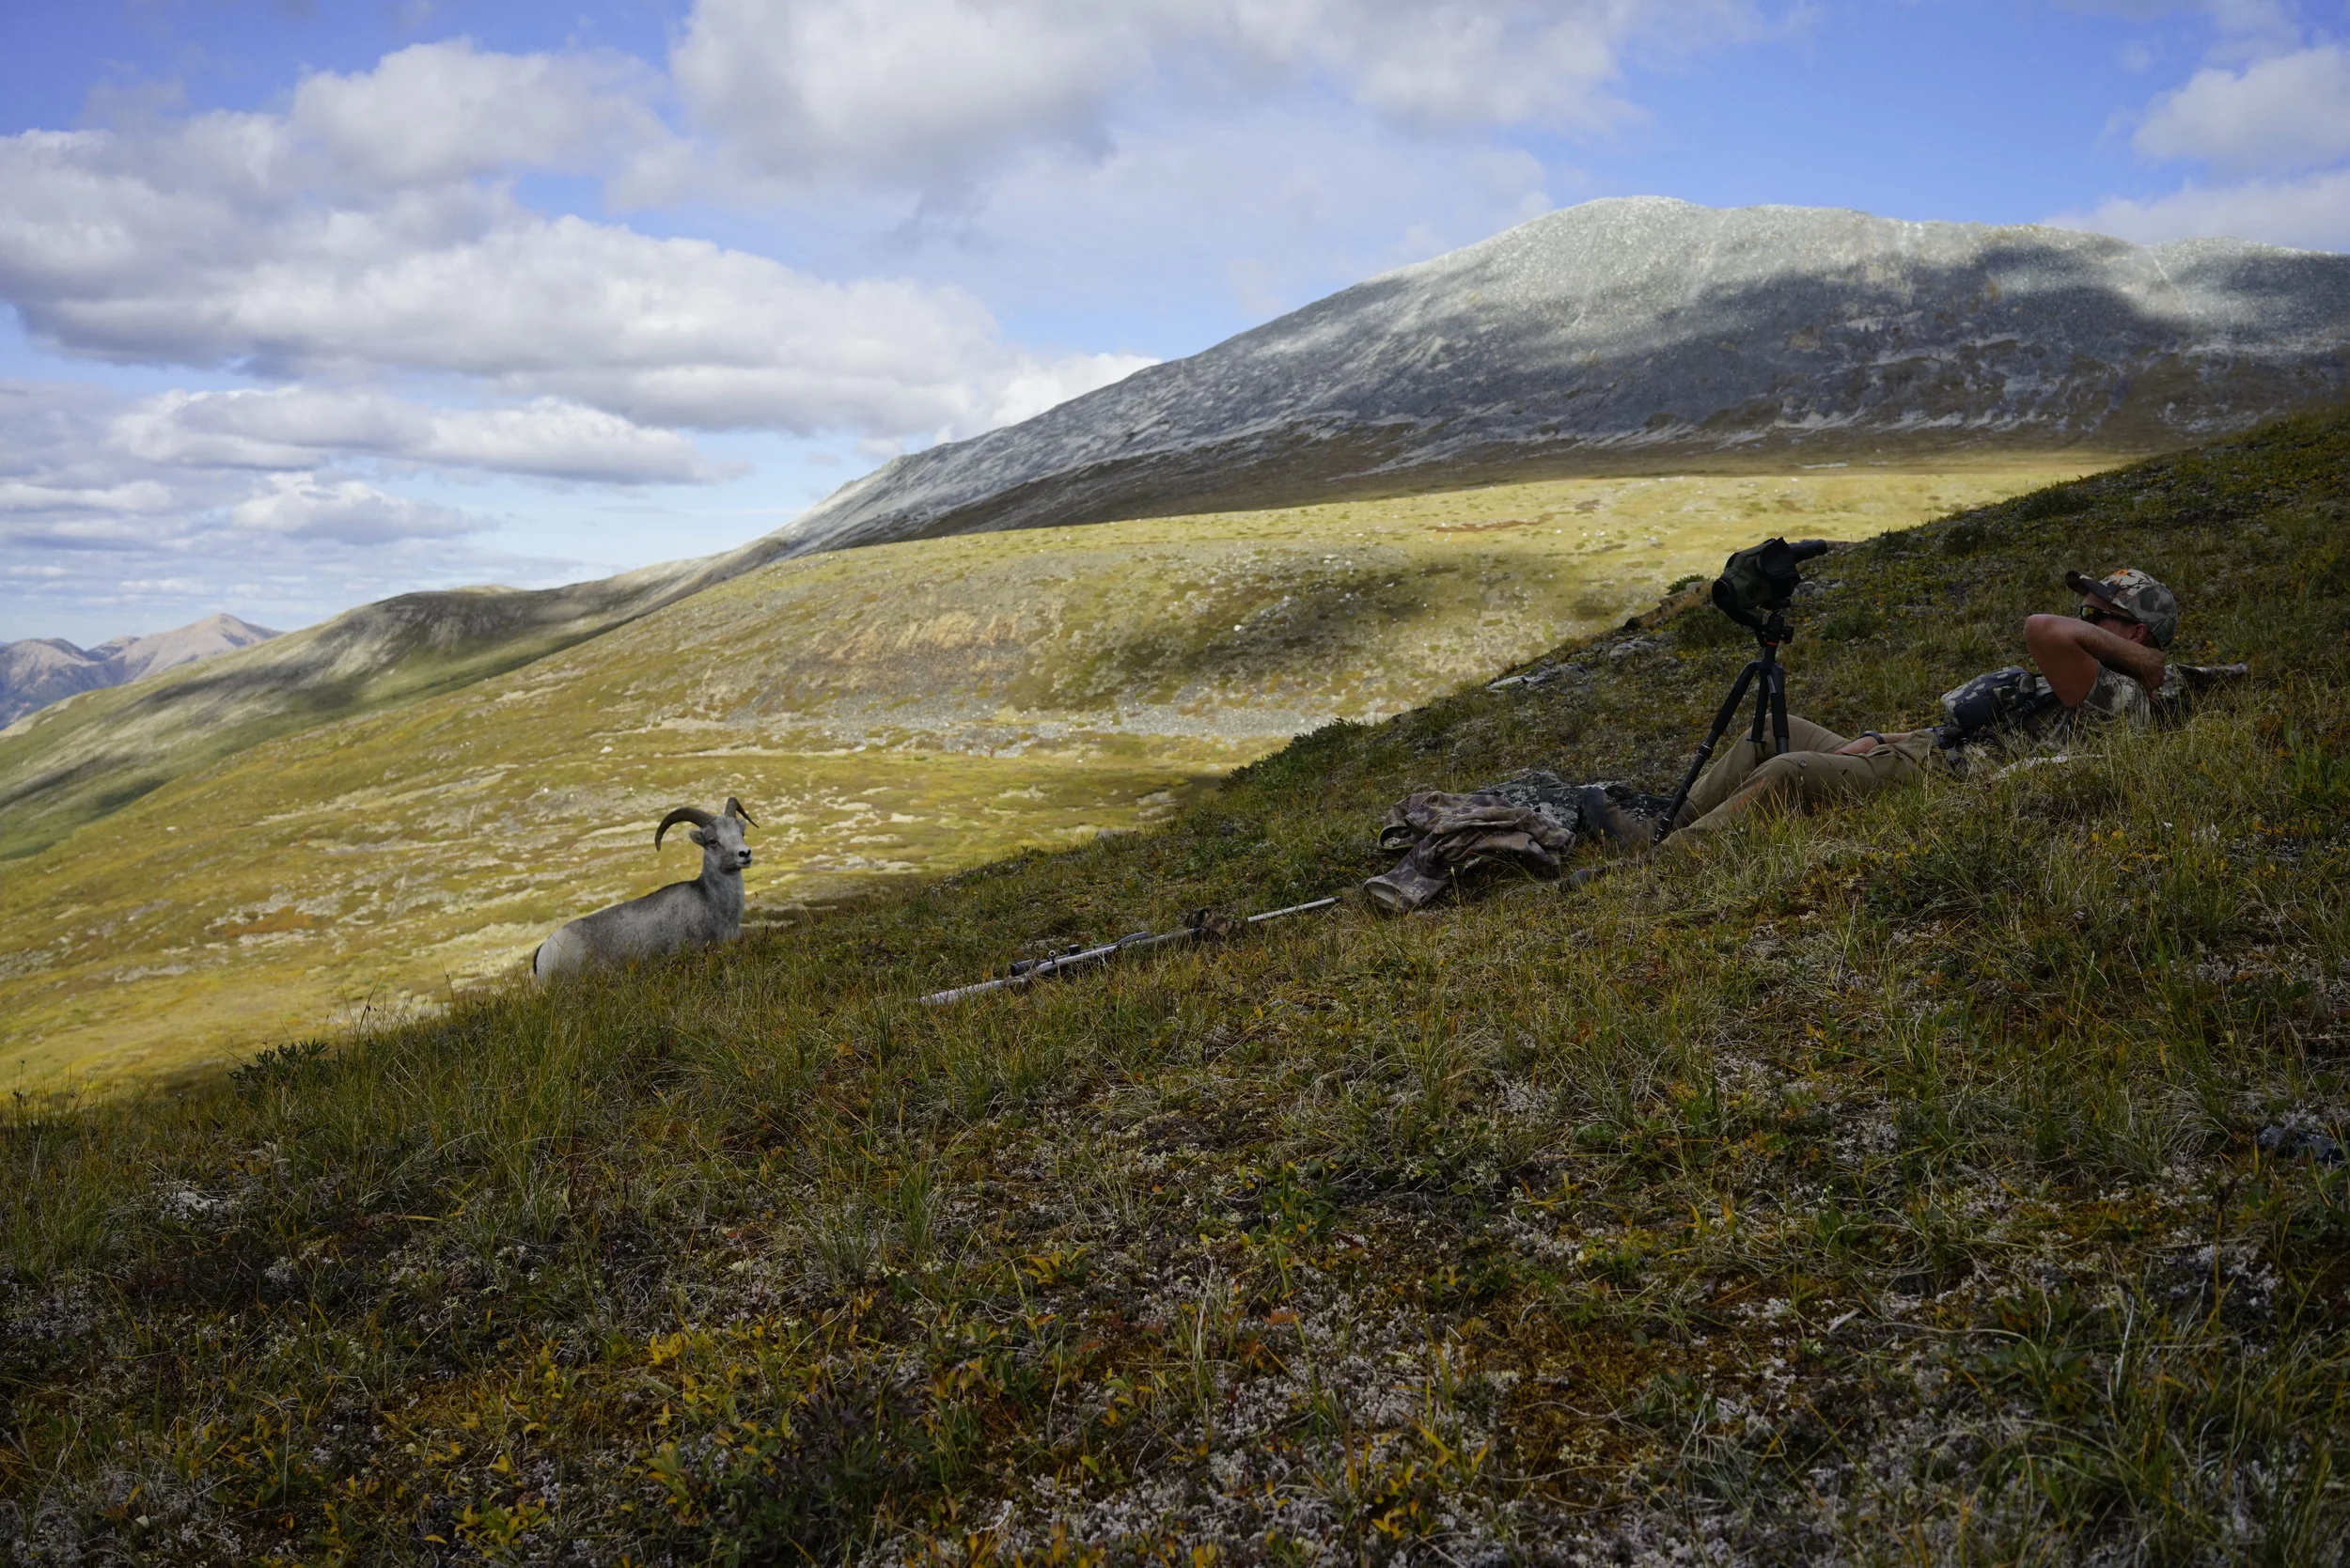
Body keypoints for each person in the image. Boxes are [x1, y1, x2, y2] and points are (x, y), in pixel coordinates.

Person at [1609, 568, 2182, 844]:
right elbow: (1973, 729)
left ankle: (1667, 867)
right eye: (2083, 614)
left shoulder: (2122, 697)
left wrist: (2148, 664)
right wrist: (1884, 738)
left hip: (1937, 779)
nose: (2083, 622)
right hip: (1918, 753)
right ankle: (1666, 827)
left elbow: (2043, 628)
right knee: (1768, 731)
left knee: (1786, 771)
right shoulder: (2074, 681)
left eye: (2097, 616)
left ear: (2135, 635)